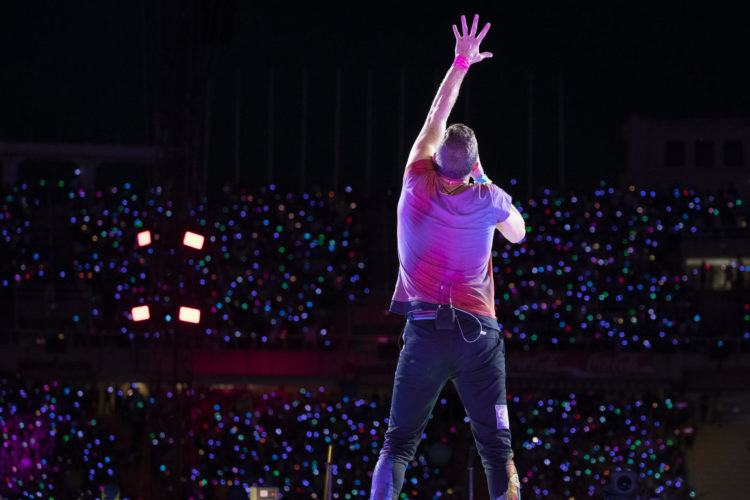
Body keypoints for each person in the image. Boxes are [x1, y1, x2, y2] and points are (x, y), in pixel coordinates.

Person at [369, 14, 525, 500]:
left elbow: (439, 112)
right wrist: (484, 180)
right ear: (475, 165)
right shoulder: (490, 198)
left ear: (437, 157)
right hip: (479, 337)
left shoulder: (416, 177)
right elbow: (518, 235)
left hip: (425, 333)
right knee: (497, 451)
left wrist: (461, 63)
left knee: (397, 445)